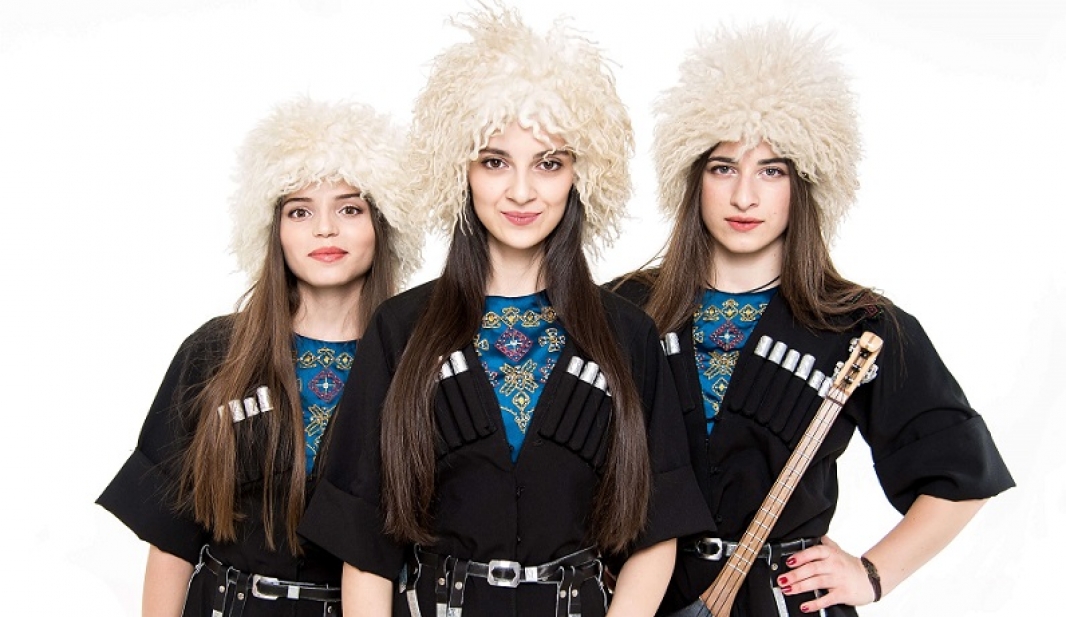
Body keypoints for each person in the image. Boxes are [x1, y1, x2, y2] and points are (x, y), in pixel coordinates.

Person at [297, 4, 710, 617]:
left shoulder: (628, 333)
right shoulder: (399, 329)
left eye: (549, 163)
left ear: (581, 176)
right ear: (459, 171)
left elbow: (658, 531)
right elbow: (363, 546)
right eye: (495, 161)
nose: (521, 191)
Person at [610, 22, 1015, 617]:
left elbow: (961, 475)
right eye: (723, 168)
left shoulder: (861, 326)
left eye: (772, 170)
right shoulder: (620, 309)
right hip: (639, 601)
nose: (744, 196)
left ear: (806, 182)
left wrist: (873, 574)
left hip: (785, 603)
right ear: (692, 177)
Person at [97, 97, 421, 617]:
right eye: (300, 211)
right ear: (273, 229)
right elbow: (171, 539)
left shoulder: (417, 359)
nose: (324, 229)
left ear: (384, 224)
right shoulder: (216, 352)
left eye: (349, 208)